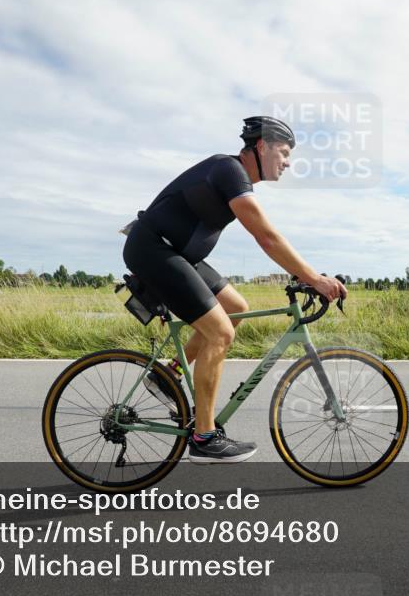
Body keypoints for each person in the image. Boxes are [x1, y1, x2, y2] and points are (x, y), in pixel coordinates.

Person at [122, 116, 347, 464]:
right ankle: (203, 437)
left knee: (236, 307)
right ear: (261, 147)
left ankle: (169, 375)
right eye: (284, 153)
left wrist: (306, 276)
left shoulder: (235, 179)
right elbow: (267, 237)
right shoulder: (228, 170)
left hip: (178, 253)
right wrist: (313, 278)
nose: (288, 162)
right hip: (154, 249)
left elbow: (267, 237)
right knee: (219, 334)